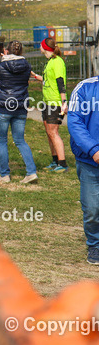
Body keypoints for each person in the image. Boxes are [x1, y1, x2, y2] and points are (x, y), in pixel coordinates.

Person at [0, 40, 37, 184]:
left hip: (3, 107)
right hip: (20, 107)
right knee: (20, 140)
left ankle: (5, 175)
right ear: (21, 52)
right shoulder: (27, 66)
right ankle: (31, 172)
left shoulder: (1, 66)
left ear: (6, 51)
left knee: (2, 141)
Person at [67, 74, 99, 264]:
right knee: (93, 208)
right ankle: (95, 244)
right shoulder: (84, 88)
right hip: (89, 161)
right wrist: (94, 150)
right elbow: (75, 121)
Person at [32, 37, 68, 171]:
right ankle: (55, 160)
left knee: (54, 132)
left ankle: (63, 163)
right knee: (49, 132)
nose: (39, 47)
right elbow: (47, 80)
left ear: (45, 48)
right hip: (47, 102)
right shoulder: (50, 62)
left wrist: (64, 102)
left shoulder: (57, 62)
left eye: (41, 45)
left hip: (55, 102)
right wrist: (35, 76)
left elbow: (60, 82)